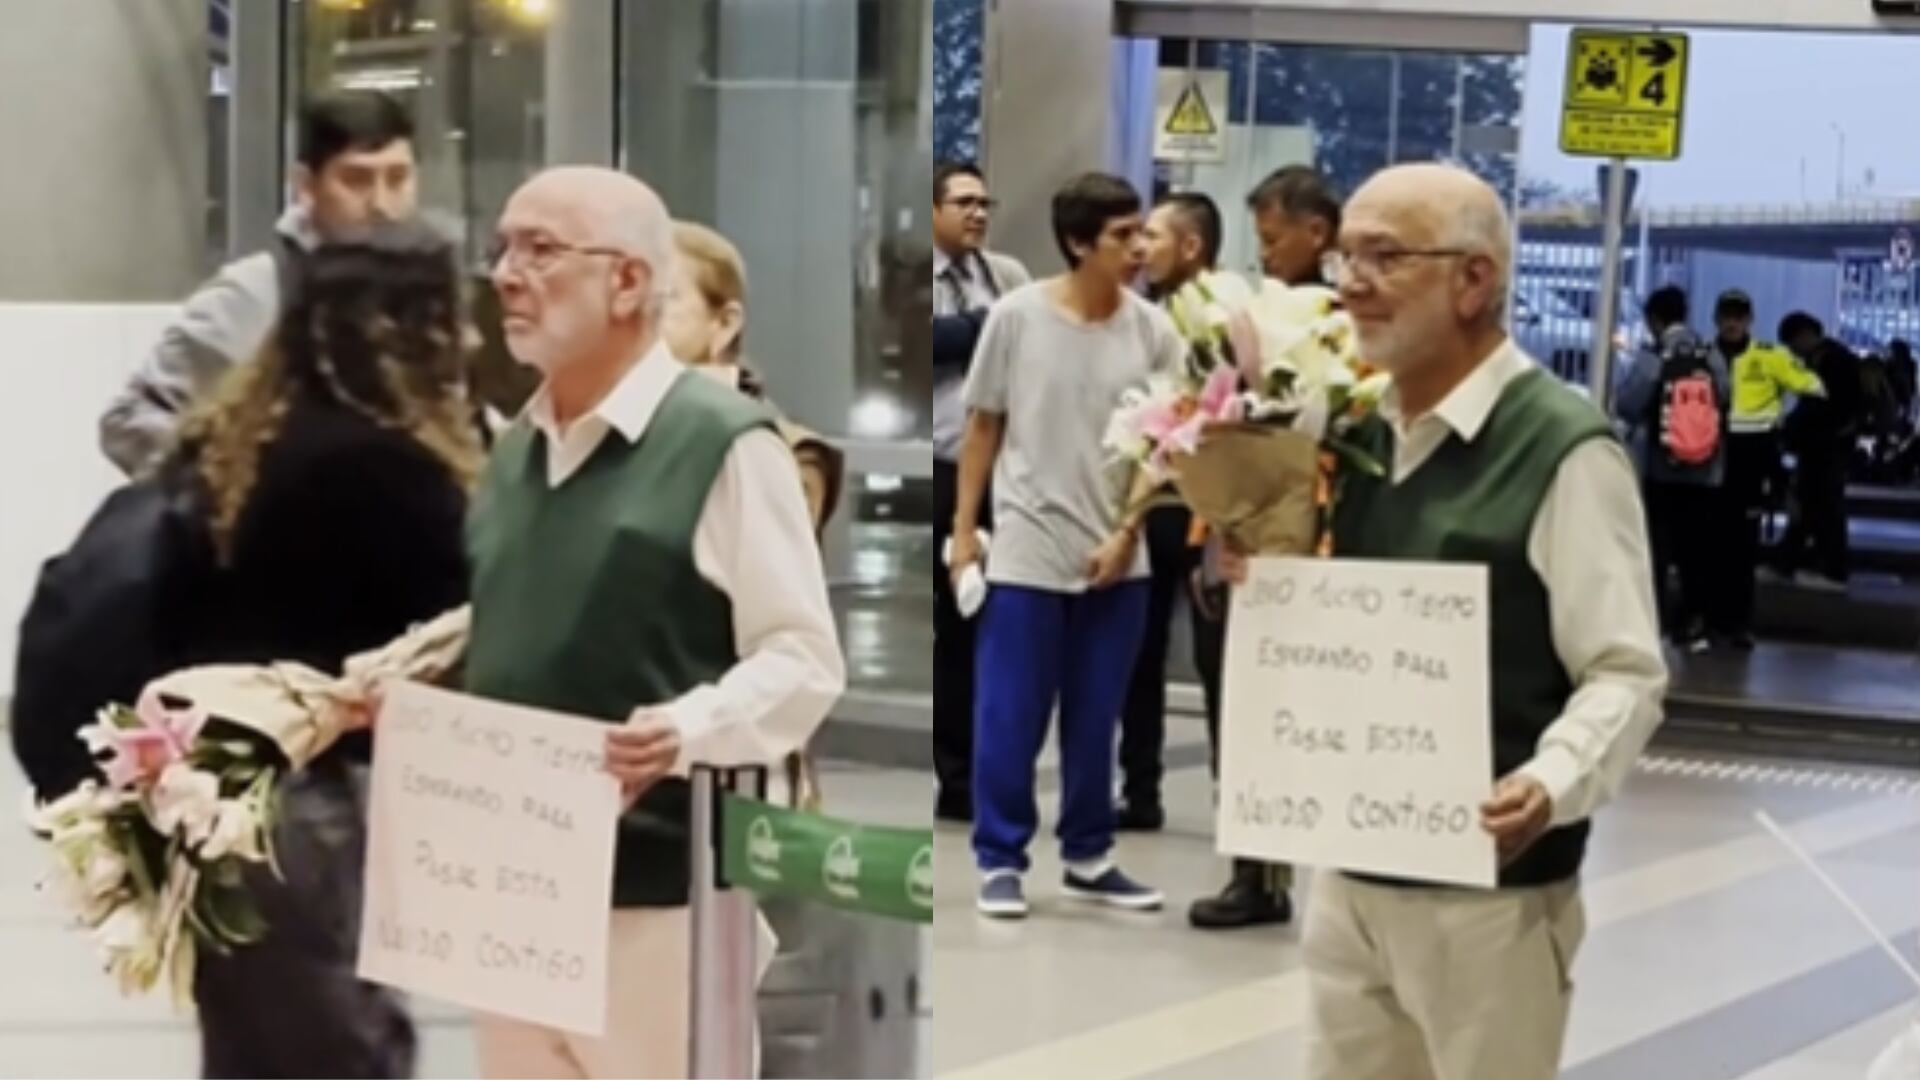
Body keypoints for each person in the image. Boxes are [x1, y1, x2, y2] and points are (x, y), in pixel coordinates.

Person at [1224, 164, 1667, 1080]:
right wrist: (1268, 580)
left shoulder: (1561, 449)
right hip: (1351, 867)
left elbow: (1625, 671)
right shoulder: (1354, 432)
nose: (1351, 283)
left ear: (1475, 279)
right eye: (1347, 256)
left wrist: (1548, 783)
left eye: (1385, 257)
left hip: (1490, 899)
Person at [448, 167, 843, 1079]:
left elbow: (802, 655)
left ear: (628, 281)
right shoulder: (516, 449)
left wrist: (687, 727)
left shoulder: (725, 442)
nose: (507, 273)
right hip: (510, 889)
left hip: (662, 897)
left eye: (540, 250)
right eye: (503, 248)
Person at [173, 221, 481, 1079]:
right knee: (338, 1045)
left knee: (249, 1044)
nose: (469, 338)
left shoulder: (239, 443)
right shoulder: (384, 467)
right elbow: (445, 633)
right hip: (306, 803)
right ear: (401, 328)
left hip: (209, 786)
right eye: (449, 318)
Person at [950, 172, 1183, 920]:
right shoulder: (1015, 318)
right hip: (1025, 549)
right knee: (1008, 715)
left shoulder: (1154, 330)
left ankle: (1089, 853)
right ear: (1080, 243)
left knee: (1096, 717)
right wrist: (962, 534)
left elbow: (1167, 446)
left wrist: (1127, 533)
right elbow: (982, 425)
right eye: (1123, 236)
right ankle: (999, 858)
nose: (1140, 248)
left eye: (1142, 232)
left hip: (1119, 556)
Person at [101, 91, 418, 476]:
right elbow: (128, 422)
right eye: (357, 180)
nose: (382, 203)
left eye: (398, 178)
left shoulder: (419, 298)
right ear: (306, 186)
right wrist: (231, 495)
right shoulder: (254, 294)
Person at [1186, 166, 1344, 932]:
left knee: (1295, 716)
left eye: (1275, 238)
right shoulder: (1243, 324)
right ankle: (1253, 869)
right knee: (1235, 710)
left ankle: (1295, 867)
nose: (1268, 253)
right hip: (1245, 545)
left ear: (1318, 232)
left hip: (1319, 554)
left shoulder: (1346, 328)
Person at [1114, 192, 1221, 833]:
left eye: (1151, 236)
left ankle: (1230, 796)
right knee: (1139, 651)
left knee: (1218, 658)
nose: (1139, 248)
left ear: (1190, 246)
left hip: (1212, 508)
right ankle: (1141, 789)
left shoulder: (1229, 318)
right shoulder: (1140, 317)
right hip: (1155, 501)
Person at [932, 161, 1031, 824]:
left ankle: (995, 775)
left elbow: (1023, 346)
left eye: (984, 202)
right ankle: (956, 780)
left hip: (998, 473)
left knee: (996, 630)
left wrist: (973, 331)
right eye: (963, 202)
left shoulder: (1009, 276)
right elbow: (927, 341)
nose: (978, 213)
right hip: (938, 467)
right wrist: (979, 331)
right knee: (948, 632)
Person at [1612, 285, 1729, 649]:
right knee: (1698, 549)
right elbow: (1725, 397)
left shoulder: (1655, 354)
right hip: (1707, 470)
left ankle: (1655, 622)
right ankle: (1696, 623)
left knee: (1658, 548)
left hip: (1662, 468)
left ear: (1654, 319)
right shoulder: (1710, 354)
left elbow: (1629, 404)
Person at [1715, 289, 1824, 646]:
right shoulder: (1704, 356)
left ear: (1749, 320)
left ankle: (1738, 623)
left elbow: (1815, 389)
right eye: (1727, 315)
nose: (1732, 323)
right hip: (1710, 457)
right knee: (1710, 544)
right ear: (1717, 319)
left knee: (1744, 548)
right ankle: (1709, 618)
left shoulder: (1771, 357)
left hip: (1752, 458)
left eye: (1739, 316)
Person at [1775, 312, 1860, 588]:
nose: (1793, 352)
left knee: (1823, 506)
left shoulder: (1828, 361)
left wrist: (1790, 432)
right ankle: (1790, 563)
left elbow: (1819, 408)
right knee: (1811, 505)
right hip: (1826, 445)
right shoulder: (1833, 357)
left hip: (1825, 447)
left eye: (1792, 344)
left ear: (1804, 335)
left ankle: (1832, 570)